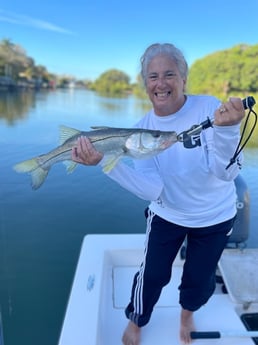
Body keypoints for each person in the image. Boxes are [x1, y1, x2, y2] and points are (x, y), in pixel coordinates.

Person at [71, 43, 245, 344]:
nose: (160, 83)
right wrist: (107, 165)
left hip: (216, 216)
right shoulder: (141, 130)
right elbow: (152, 190)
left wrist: (229, 130)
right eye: (152, 76)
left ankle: (187, 314)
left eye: (169, 74)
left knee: (200, 278)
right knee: (150, 276)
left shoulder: (209, 108)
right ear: (144, 83)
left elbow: (226, 173)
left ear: (183, 79)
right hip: (168, 214)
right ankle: (137, 320)